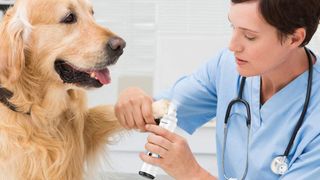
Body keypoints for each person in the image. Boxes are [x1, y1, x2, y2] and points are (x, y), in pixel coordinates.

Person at [115, 0, 320, 179]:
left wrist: (192, 174)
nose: (232, 46)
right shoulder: (228, 66)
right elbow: (161, 110)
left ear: (294, 38)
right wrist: (133, 97)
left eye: (249, 36)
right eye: (233, 27)